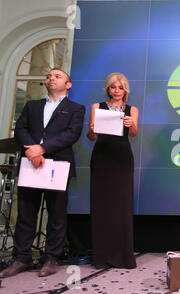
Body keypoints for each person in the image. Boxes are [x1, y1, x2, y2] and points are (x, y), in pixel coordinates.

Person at [0, 68, 85, 278]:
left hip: (58, 165)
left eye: (57, 76)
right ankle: (21, 257)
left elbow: (71, 134)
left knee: (56, 214)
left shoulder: (75, 108)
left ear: (68, 84)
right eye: (49, 76)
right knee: (26, 213)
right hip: (31, 163)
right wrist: (32, 149)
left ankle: (51, 258)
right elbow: (20, 129)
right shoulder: (32, 106)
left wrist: (43, 148)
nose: (51, 78)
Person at [86, 73, 138, 269]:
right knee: (101, 205)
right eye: (113, 87)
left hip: (122, 158)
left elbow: (133, 134)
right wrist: (92, 129)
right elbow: (91, 136)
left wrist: (131, 124)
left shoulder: (132, 109)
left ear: (126, 90)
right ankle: (101, 256)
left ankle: (122, 256)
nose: (117, 91)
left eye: (120, 88)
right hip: (102, 158)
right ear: (108, 89)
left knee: (122, 206)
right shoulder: (96, 107)